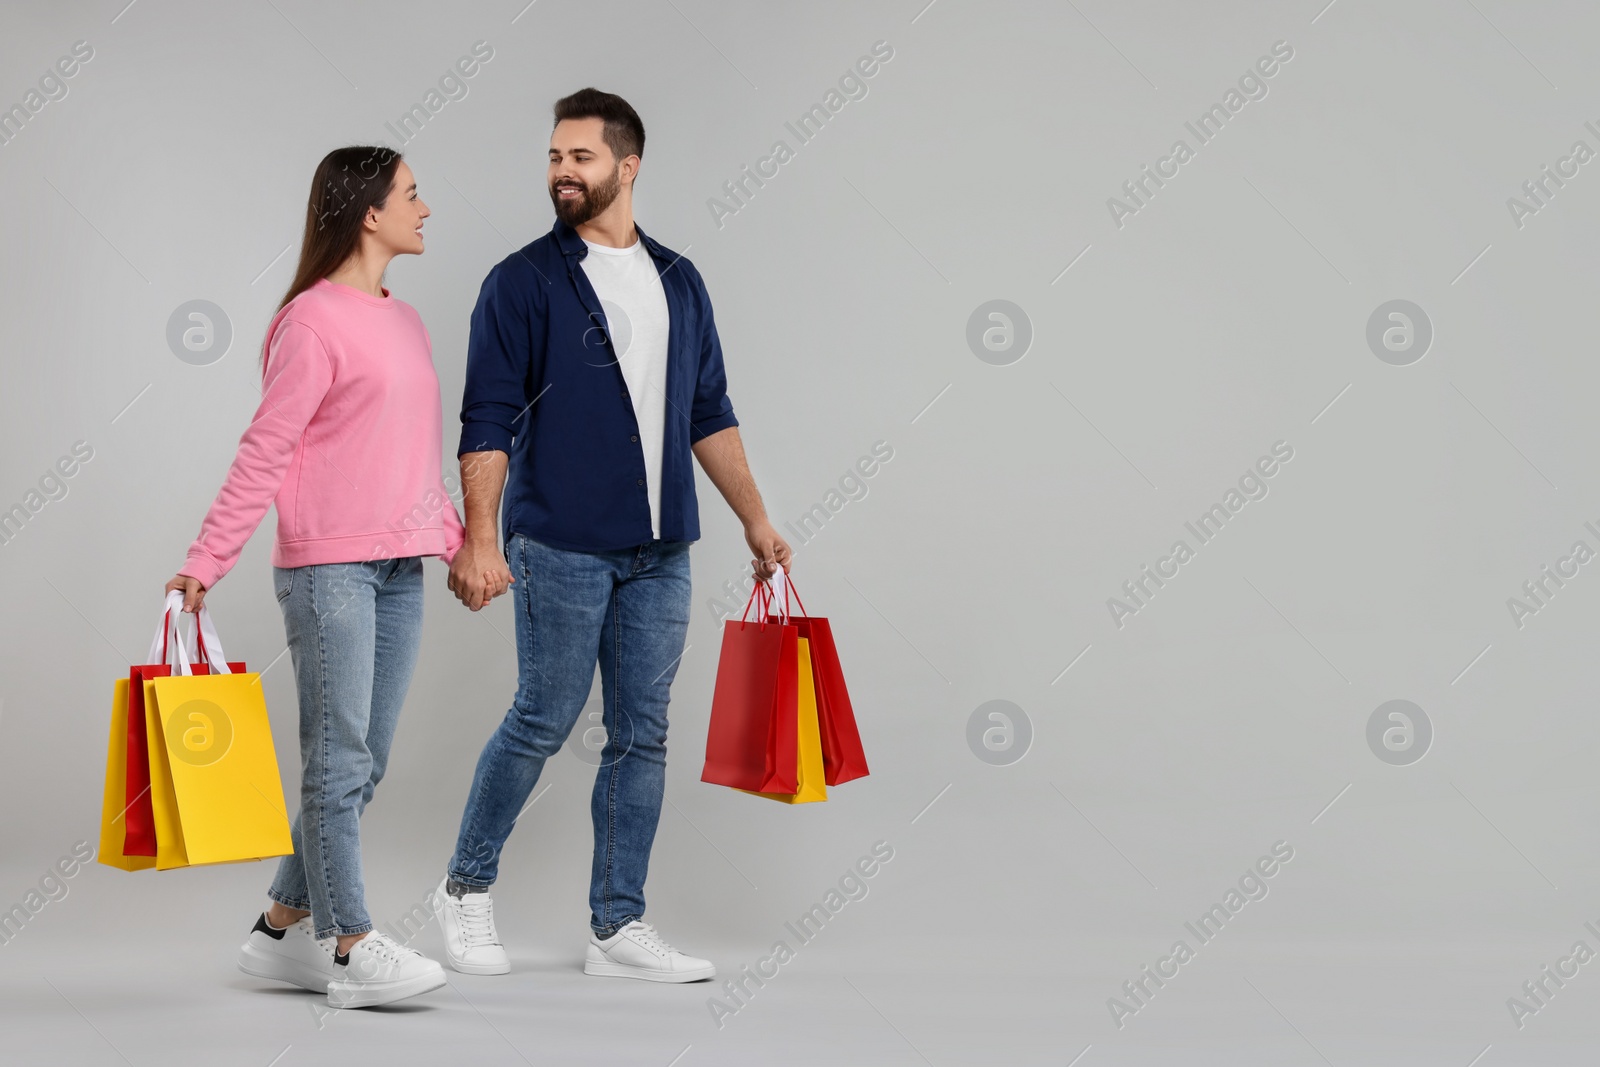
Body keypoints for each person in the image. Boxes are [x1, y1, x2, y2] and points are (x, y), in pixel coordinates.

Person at [433, 88, 791, 982]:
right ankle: (464, 888)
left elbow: (709, 411)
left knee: (643, 732)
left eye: (581, 157)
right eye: (555, 155)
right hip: (558, 541)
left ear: (627, 168)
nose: (562, 170)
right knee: (544, 717)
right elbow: (486, 416)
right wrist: (481, 537)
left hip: (662, 552)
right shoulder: (522, 280)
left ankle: (618, 926)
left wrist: (755, 517)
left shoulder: (679, 279)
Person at [166, 146, 475, 1009]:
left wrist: (460, 546)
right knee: (337, 761)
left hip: (398, 569)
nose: (426, 207)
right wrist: (206, 559)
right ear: (369, 212)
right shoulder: (308, 322)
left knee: (361, 761)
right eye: (413, 194)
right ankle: (348, 944)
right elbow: (265, 450)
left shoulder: (404, 322)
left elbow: (413, 466)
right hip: (328, 569)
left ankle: (276, 930)